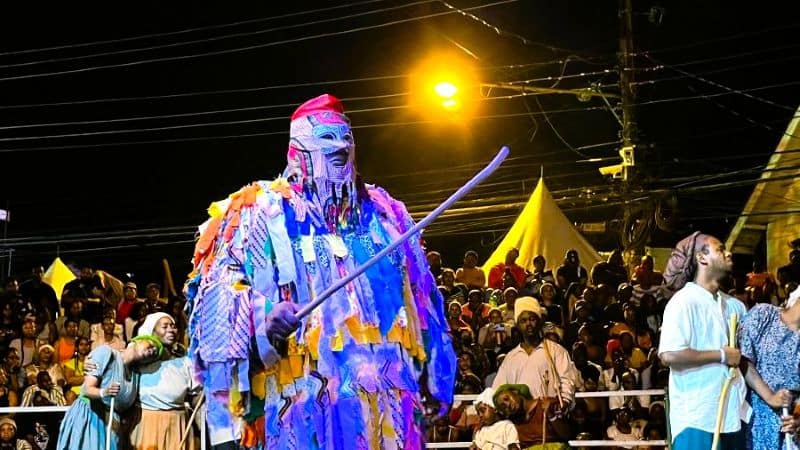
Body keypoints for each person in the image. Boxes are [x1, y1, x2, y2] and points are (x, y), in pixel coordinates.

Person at [184, 94, 455, 449]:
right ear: (297, 149)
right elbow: (215, 314)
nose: (341, 146)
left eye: (347, 137)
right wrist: (263, 319)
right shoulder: (256, 213)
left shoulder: (388, 216)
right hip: (301, 406)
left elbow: (421, 298)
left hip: (391, 409)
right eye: (327, 138)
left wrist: (438, 370)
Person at [658, 232, 750, 449]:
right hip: (697, 419)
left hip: (733, 416)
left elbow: (743, 360)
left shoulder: (735, 306)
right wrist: (720, 354)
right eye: (720, 249)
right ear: (702, 258)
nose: (728, 253)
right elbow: (669, 354)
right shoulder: (683, 302)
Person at [56, 334, 163, 450]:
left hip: (112, 424)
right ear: (134, 341)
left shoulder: (136, 375)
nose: (153, 350)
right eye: (151, 345)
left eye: (155, 353)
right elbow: (87, 389)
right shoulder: (106, 354)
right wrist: (104, 392)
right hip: (91, 415)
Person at [738, 284, 800, 449]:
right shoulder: (763, 315)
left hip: (788, 426)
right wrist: (770, 397)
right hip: (754, 419)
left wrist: (797, 418)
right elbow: (743, 360)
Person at [128, 312, 199, 450]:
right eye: (164, 326)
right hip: (148, 425)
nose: (170, 330)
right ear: (152, 331)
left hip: (177, 425)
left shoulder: (184, 362)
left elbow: (196, 395)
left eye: (172, 326)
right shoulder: (139, 358)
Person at [492, 297, 576, 409]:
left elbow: (567, 381)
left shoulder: (556, 351)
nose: (528, 324)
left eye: (532, 319)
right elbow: (498, 389)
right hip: (519, 419)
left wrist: (561, 403)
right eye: (523, 321)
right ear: (517, 325)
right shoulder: (511, 357)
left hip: (547, 416)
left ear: (540, 321)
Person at [493, 384, 570, 449]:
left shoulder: (546, 404)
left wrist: (551, 415)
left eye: (507, 399)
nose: (508, 405)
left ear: (515, 391)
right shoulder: (513, 424)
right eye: (503, 407)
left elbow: (567, 435)